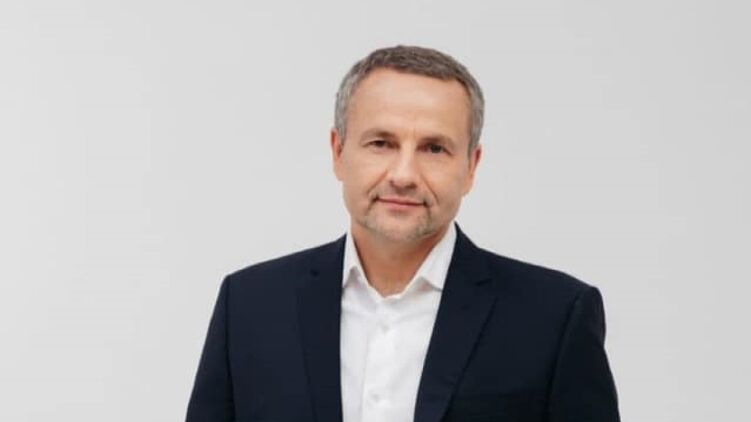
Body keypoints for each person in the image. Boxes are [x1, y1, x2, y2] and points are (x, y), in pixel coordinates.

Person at [185, 45, 620, 422]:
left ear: (471, 167)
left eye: (434, 148)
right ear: (338, 152)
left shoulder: (555, 318)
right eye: (381, 143)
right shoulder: (249, 306)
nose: (404, 175)